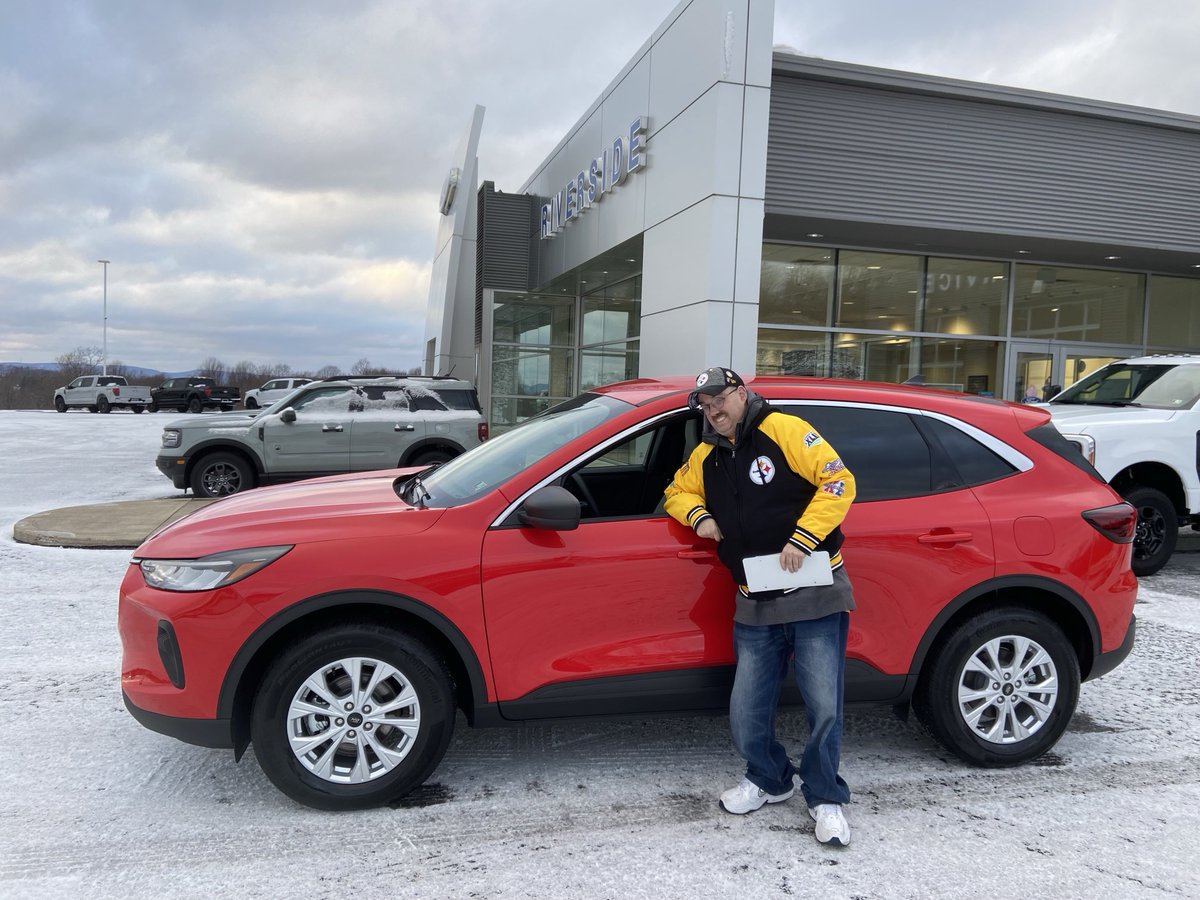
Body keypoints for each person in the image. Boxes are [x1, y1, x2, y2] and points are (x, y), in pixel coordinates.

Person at [663, 366, 857, 847]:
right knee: (746, 707)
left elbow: (838, 482)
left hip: (813, 590)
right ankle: (771, 778)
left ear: (741, 394)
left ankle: (825, 796)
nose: (714, 412)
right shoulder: (707, 453)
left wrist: (803, 538)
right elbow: (675, 491)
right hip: (754, 596)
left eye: (720, 401)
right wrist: (699, 516)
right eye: (706, 407)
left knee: (823, 706)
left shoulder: (786, 430)